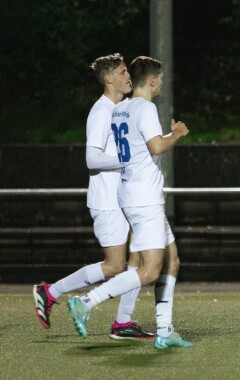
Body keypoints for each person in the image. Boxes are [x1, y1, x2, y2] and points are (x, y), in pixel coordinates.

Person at [66, 56, 194, 349]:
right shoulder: (146, 107)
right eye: (160, 78)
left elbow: (138, 146)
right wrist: (177, 133)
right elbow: (155, 146)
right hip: (144, 198)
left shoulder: (121, 108)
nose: (161, 83)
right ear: (151, 80)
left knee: (171, 261)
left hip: (131, 194)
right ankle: (86, 301)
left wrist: (163, 136)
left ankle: (165, 330)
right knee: (148, 271)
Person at [32, 53, 153, 340]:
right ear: (108, 78)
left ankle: (123, 322)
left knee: (140, 259)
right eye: (123, 72)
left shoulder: (122, 108)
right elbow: (92, 158)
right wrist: (127, 159)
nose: (128, 76)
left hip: (123, 198)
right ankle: (50, 292)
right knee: (114, 266)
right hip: (107, 200)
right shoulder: (100, 111)